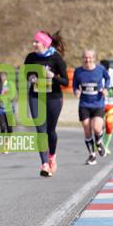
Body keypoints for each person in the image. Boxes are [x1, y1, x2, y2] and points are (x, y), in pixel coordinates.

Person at [23, 30, 69, 177]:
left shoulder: (56, 58)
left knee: (50, 131)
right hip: (36, 96)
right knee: (40, 130)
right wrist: (31, 78)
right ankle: (44, 164)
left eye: (36, 42)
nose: (33, 44)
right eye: (34, 41)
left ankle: (52, 157)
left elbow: (66, 82)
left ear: (44, 44)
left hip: (53, 97)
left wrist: (52, 76)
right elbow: (26, 73)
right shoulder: (30, 58)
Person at [73, 49, 110, 165]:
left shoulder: (100, 69)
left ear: (94, 58)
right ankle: (92, 155)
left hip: (98, 103)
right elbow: (75, 85)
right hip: (84, 104)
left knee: (97, 129)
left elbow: (107, 78)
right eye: (85, 57)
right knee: (87, 129)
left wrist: (106, 89)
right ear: (82, 58)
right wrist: (76, 91)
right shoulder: (78, 71)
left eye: (89, 58)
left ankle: (99, 142)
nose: (87, 60)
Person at [0, 72, 14, 154]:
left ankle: (8, 142)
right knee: (3, 127)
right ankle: (4, 146)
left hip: (9, 110)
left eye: (3, 76)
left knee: (9, 128)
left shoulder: (10, 84)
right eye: (1, 77)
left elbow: (12, 95)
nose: (2, 78)